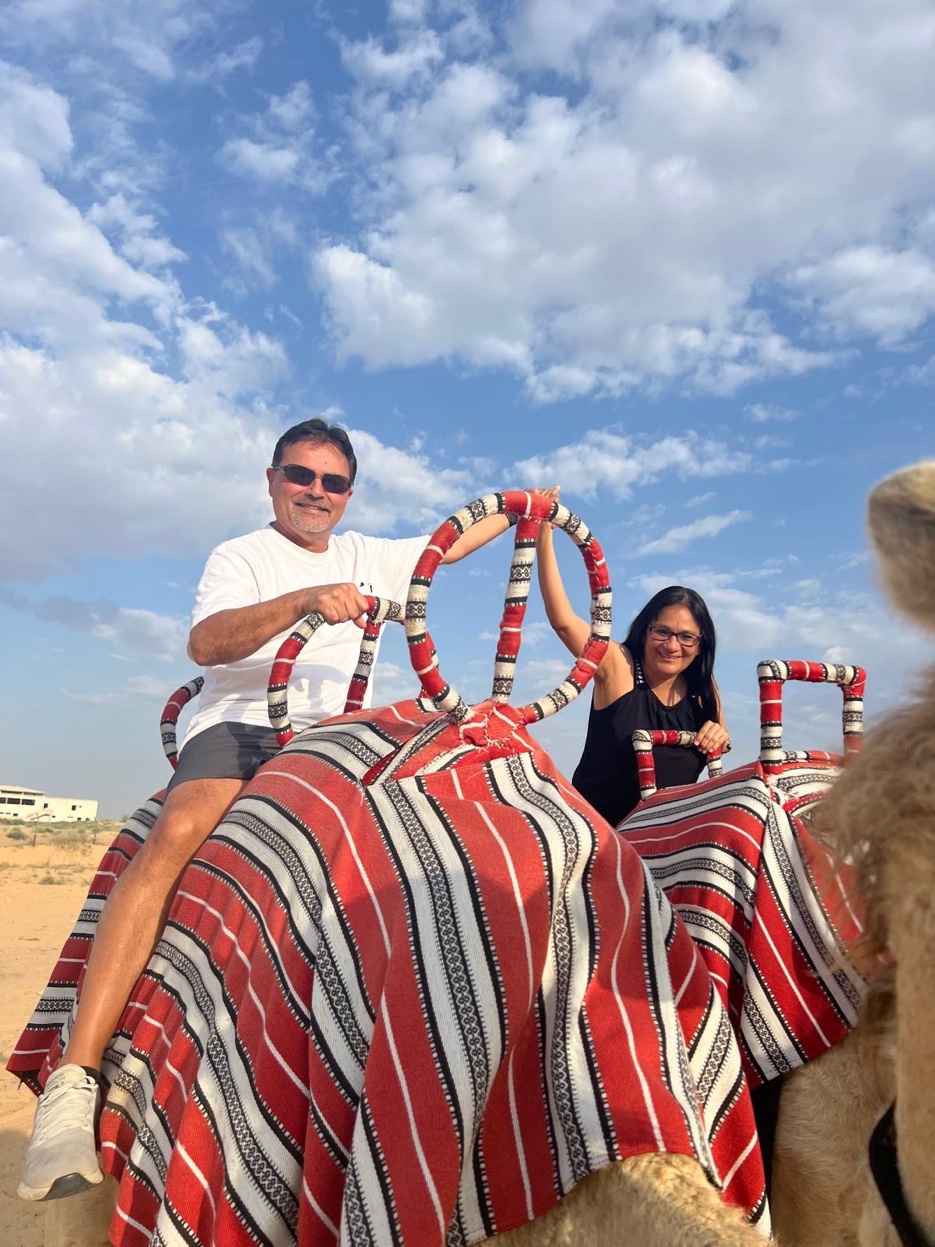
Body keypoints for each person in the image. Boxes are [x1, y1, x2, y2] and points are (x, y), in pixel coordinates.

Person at [19, 417, 515, 1203]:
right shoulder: (241, 556)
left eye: (332, 482)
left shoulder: (370, 554)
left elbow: (450, 542)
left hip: (346, 735)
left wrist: (530, 504)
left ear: (349, 493)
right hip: (247, 726)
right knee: (178, 832)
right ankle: (75, 1079)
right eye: (301, 476)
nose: (315, 493)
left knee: (451, 840)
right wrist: (307, 599)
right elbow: (207, 643)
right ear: (273, 477)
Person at [536, 489, 729, 827]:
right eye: (662, 632)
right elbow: (564, 622)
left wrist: (718, 735)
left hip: (664, 845)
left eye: (686, 637)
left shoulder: (703, 687)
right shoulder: (618, 665)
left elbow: (719, 739)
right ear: (645, 630)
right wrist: (543, 533)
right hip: (594, 840)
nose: (672, 646)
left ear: (701, 644)